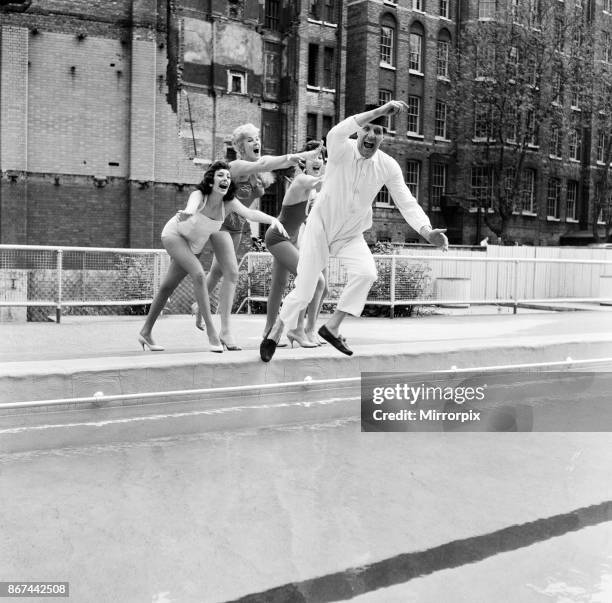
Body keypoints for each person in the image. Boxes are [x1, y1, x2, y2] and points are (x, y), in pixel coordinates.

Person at [260, 101, 449, 362]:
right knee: (304, 290)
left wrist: (427, 231)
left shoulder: (388, 165)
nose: (372, 135)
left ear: (384, 137)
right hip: (320, 228)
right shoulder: (340, 148)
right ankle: (277, 329)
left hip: (351, 234)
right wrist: (380, 112)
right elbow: (338, 130)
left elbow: (406, 201)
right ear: (359, 131)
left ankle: (332, 326)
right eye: (367, 129)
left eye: (379, 131)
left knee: (366, 272)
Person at [191, 123, 323, 350]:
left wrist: (298, 158)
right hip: (219, 223)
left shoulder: (259, 174)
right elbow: (267, 162)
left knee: (217, 271)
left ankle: (198, 306)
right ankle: (225, 331)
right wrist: (303, 155)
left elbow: (275, 163)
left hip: (237, 225)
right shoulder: (236, 167)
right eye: (250, 139)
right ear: (240, 146)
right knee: (232, 273)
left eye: (257, 138)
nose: (256, 142)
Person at [138, 161, 288, 353]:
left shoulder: (229, 203)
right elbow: (192, 207)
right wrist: (187, 213)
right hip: (175, 235)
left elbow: (250, 213)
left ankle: (145, 331)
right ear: (211, 181)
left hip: (194, 245)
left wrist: (273, 219)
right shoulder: (199, 195)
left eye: (227, 176)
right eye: (220, 175)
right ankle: (212, 333)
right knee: (199, 274)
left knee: (168, 287)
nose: (225, 178)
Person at [263, 141, 327, 347]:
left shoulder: (311, 187)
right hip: (278, 237)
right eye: (314, 157)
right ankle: (298, 330)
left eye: (322, 158)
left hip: (289, 238)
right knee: (314, 280)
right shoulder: (301, 181)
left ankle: (270, 330)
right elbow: (325, 183)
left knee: (279, 285)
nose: (318, 161)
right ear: (303, 162)